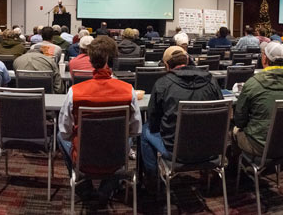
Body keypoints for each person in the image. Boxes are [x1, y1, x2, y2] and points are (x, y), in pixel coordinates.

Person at [56, 35, 141, 196]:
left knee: (60, 137)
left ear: (91, 59)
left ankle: (82, 183)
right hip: (116, 158)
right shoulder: (128, 90)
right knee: (128, 137)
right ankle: (110, 184)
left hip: (84, 158)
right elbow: (136, 130)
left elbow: (65, 131)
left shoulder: (75, 92)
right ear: (112, 59)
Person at [140, 45, 222, 184]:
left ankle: (151, 179)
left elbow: (153, 120)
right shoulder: (211, 81)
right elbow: (220, 112)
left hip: (176, 152)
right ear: (188, 61)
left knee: (145, 130)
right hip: (210, 148)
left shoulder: (162, 84)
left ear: (166, 65)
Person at [230, 42, 283, 160]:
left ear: (264, 58)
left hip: (260, 145)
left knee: (234, 130)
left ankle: (237, 170)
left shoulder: (253, 83)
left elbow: (239, 120)